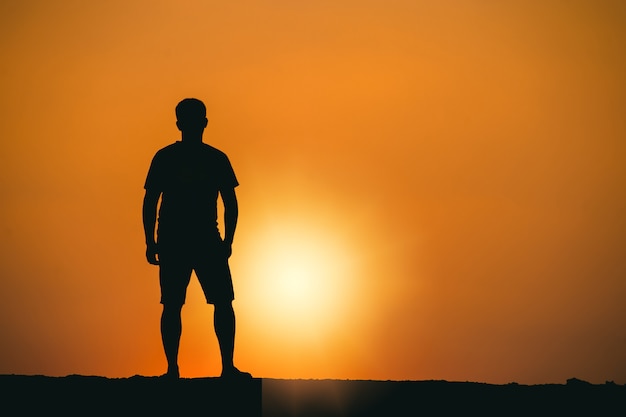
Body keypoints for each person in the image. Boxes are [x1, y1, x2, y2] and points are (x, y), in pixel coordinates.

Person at [142, 98, 250, 380]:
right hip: (193, 240)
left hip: (188, 240)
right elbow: (150, 199)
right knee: (193, 303)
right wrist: (228, 240)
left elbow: (151, 200)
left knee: (188, 303)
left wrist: (150, 241)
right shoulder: (211, 158)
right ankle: (195, 369)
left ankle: (186, 369)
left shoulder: (173, 157)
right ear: (202, 123)